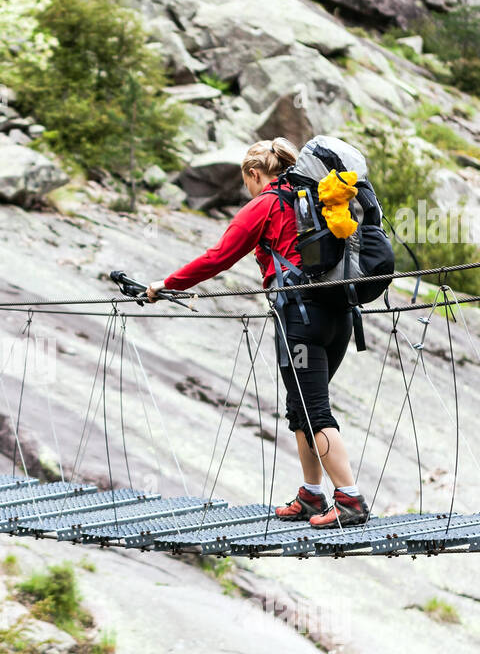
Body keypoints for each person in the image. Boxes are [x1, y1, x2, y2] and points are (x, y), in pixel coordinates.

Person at [145, 137, 370, 528]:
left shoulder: (265, 204)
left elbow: (219, 257)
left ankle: (349, 499)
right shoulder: (320, 200)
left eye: (246, 181)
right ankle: (312, 496)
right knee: (301, 409)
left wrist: (167, 284)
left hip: (301, 320)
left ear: (254, 173)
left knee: (314, 412)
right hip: (340, 316)